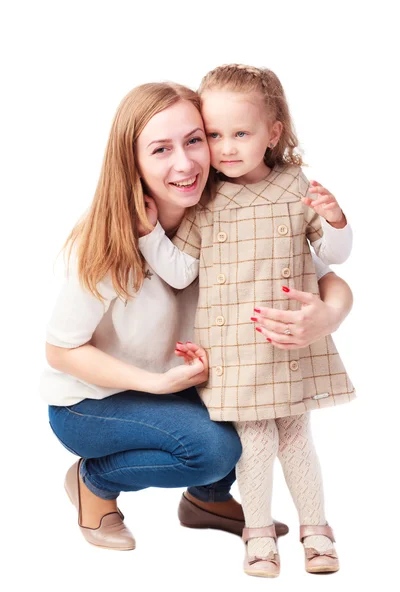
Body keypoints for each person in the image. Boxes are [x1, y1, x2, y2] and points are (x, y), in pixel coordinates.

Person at [42, 80, 353, 557]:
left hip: (182, 382)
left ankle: (206, 501)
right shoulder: (108, 242)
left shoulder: (229, 210)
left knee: (253, 403)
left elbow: (322, 273)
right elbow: (61, 351)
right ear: (133, 161)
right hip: (93, 402)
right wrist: (157, 385)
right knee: (213, 449)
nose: (186, 162)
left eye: (195, 139)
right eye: (161, 149)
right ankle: (92, 480)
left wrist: (328, 316)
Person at [138, 65, 355, 576]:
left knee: (297, 438)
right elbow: (181, 271)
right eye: (214, 135)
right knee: (254, 442)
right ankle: (258, 533)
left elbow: (334, 257)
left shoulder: (295, 187)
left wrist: (336, 219)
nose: (227, 147)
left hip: (286, 341)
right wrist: (150, 234)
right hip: (235, 348)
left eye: (241, 133)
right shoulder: (206, 202)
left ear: (273, 133)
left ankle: (317, 529)